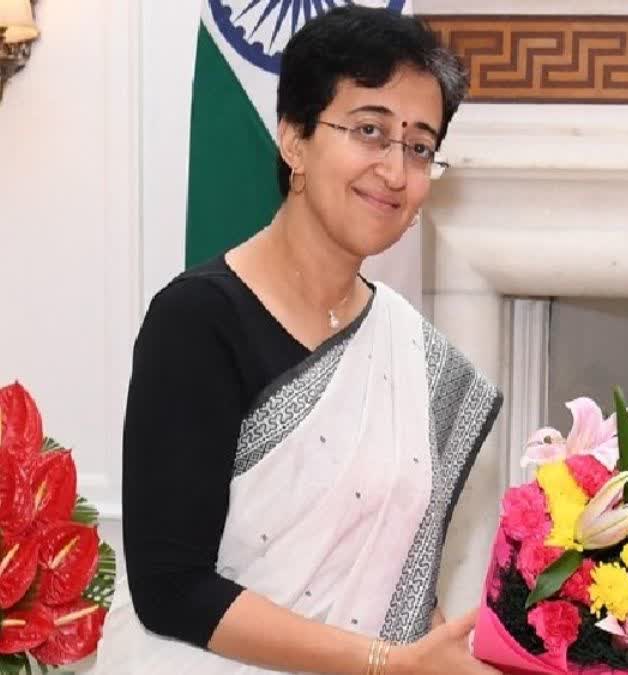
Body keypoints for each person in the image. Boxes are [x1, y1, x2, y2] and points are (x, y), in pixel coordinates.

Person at [98, 8, 500, 674]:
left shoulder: (412, 350)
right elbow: (171, 588)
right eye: (369, 131)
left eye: (420, 146)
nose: (396, 171)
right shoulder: (197, 320)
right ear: (293, 139)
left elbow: (391, 583)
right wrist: (386, 663)